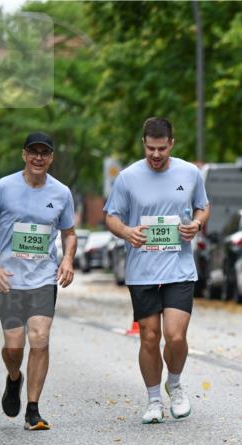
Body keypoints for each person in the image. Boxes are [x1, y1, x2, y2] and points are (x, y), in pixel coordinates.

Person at [104, 117, 210, 424]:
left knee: (175, 337)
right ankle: (153, 401)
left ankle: (174, 384)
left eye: (162, 148)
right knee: (149, 337)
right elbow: (111, 215)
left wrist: (197, 224)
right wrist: (125, 232)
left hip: (179, 267)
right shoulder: (127, 177)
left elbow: (203, 206)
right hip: (142, 271)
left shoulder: (190, 173)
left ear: (172, 144)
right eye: (151, 148)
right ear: (143, 144)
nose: (156, 155)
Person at [0, 132, 77, 430]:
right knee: (14, 347)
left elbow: (69, 232)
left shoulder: (61, 193)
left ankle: (33, 409)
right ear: (24, 154)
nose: (39, 158)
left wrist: (67, 259)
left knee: (40, 339)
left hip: (44, 278)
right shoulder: (3, 188)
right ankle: (14, 378)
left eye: (45, 153)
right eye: (34, 152)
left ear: (51, 158)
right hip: (8, 278)